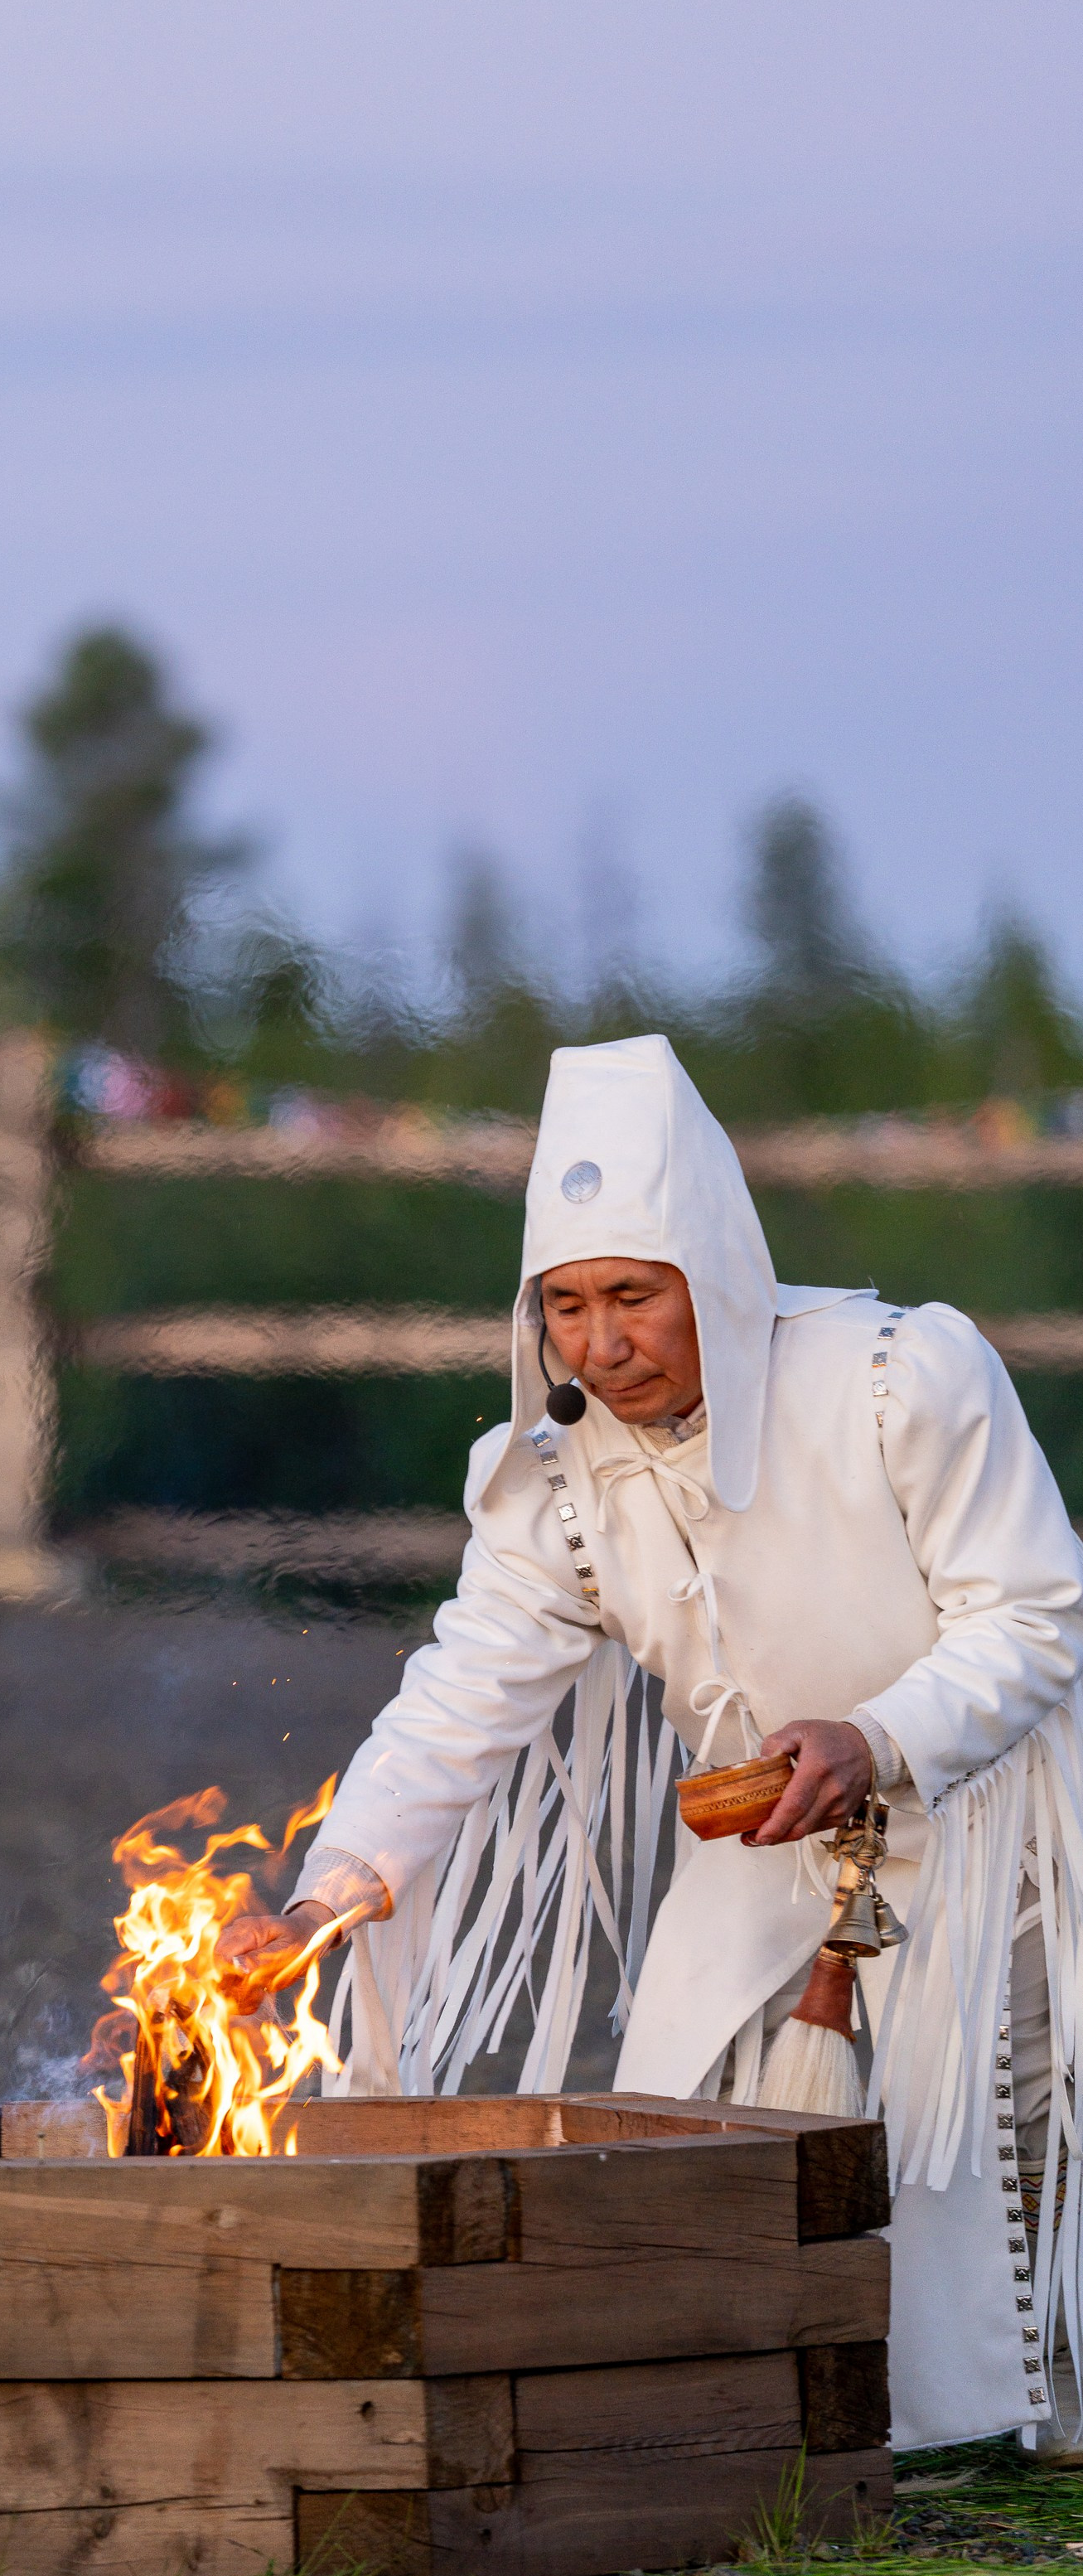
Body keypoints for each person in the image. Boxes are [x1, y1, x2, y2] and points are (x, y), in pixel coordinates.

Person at [227, 1034, 1083, 2452]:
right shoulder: (552, 1480)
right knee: (673, 2127)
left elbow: (1037, 1615)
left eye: (633, 1294)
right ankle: (771, 2430)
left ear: (717, 1283)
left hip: (1000, 1828)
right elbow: (462, 1694)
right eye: (563, 1305)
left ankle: (1009, 2424)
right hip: (765, 1848)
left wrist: (874, 1737)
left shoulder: (900, 1375)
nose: (599, 1341)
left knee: (992, 2160)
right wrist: (329, 1897)